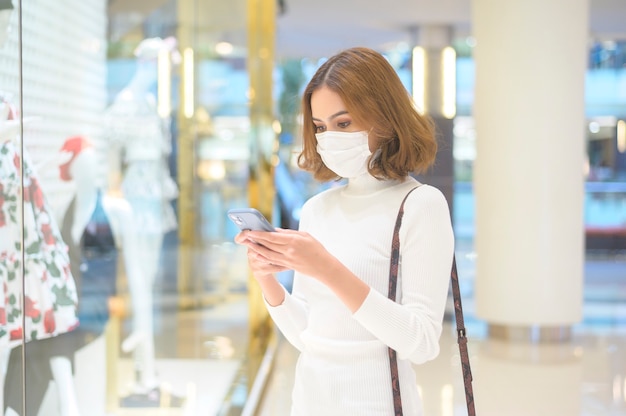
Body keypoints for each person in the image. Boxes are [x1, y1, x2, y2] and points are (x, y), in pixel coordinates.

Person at [235, 47, 454, 415]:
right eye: (320, 127)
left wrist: (326, 268)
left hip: (379, 403)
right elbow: (310, 337)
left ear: (384, 120)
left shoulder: (420, 204)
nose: (328, 137)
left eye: (344, 123)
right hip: (309, 400)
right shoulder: (317, 210)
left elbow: (421, 343)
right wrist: (268, 279)